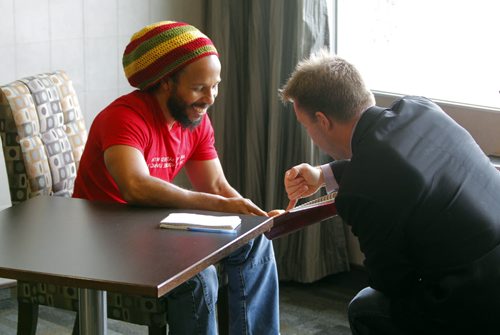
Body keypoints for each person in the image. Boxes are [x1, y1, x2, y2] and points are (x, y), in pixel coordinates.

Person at [73, 21, 279, 335]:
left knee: (254, 242)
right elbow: (135, 187)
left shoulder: (195, 119)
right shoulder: (124, 118)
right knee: (198, 277)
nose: (210, 97)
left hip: (155, 229)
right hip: (106, 240)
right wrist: (218, 204)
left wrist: (250, 216)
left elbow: (215, 186)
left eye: (215, 85)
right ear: (166, 82)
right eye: (199, 87)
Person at [280, 49, 500, 335]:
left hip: (478, 299)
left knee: (366, 306)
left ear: (323, 120)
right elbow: (395, 166)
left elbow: (392, 284)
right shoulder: (421, 109)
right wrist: (323, 174)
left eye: (306, 126)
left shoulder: (361, 191)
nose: (310, 134)